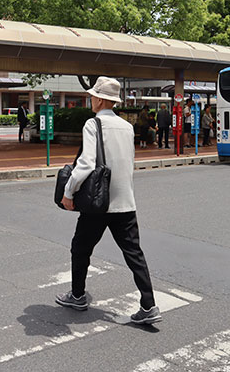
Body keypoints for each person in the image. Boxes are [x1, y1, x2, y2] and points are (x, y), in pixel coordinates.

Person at [56, 76, 161, 325]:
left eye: (93, 95)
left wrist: (68, 193)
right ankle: (149, 304)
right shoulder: (127, 127)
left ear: (101, 99)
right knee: (134, 253)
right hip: (125, 201)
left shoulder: (93, 124)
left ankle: (78, 295)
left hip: (97, 202)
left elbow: (85, 164)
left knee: (81, 248)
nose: (91, 99)